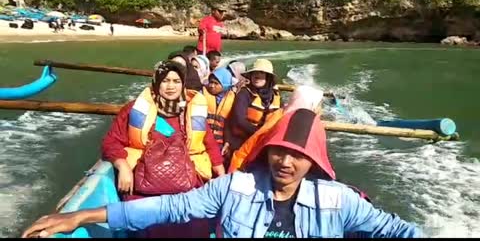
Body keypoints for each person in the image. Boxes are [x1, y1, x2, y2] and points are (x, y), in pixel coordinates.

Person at [22, 109, 422, 238]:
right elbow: (170, 208)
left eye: (296, 156)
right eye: (278, 153)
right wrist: (81, 216)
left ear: (313, 161)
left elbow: (399, 231)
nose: (285, 163)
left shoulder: (340, 201)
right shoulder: (236, 186)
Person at [100, 60, 225, 237]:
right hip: (144, 186)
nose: (171, 87)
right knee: (145, 224)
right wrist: (123, 166)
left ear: (183, 84)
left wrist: (221, 175)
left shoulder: (192, 112)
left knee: (195, 224)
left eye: (176, 81)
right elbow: (111, 142)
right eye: (165, 81)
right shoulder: (134, 109)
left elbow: (209, 144)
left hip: (187, 185)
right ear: (156, 82)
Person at [228, 85, 323, 173]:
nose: (320, 110)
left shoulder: (282, 115)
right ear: (311, 106)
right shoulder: (283, 122)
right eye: (318, 106)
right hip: (257, 170)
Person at [223, 58, 282, 167]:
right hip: (242, 142)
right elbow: (239, 120)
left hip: (264, 143)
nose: (257, 76)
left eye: (261, 73)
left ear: (268, 77)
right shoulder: (244, 93)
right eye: (254, 73)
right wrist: (261, 134)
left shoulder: (275, 95)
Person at [203, 67, 236, 155]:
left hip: (220, 143)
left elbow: (231, 124)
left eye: (216, 83)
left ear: (225, 84)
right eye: (211, 82)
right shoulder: (202, 93)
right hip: (202, 140)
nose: (212, 86)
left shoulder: (234, 98)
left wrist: (228, 142)